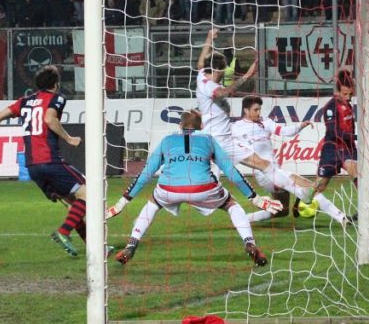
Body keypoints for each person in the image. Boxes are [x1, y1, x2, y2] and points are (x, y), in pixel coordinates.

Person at [106, 109, 283, 266]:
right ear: (202, 126)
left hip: (169, 189)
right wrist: (255, 199)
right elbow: (231, 171)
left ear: (180, 125)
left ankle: (131, 245)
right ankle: (249, 243)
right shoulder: (208, 139)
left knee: (152, 203)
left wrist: (121, 203)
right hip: (204, 189)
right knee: (231, 204)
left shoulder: (167, 140)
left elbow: (145, 174)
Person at [0, 65, 86, 258]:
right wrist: (70, 139)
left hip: (32, 166)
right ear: (56, 84)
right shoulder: (57, 97)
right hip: (50, 160)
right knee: (88, 194)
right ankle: (63, 232)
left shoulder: (25, 101)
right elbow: (49, 119)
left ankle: (97, 248)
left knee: (73, 204)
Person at [232, 96, 349, 225]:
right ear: (246, 110)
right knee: (309, 187)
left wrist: (300, 126)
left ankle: (244, 219)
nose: (258, 113)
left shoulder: (265, 122)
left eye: (259, 109)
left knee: (282, 210)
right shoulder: (236, 128)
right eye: (255, 110)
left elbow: (284, 131)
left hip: (276, 171)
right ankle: (341, 217)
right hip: (264, 175)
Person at [196, 28, 258, 158]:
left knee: (259, 163)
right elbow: (224, 92)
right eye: (224, 68)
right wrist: (247, 75)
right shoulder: (208, 86)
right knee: (259, 163)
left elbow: (200, 63)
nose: (225, 71)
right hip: (217, 139)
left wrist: (209, 37)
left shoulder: (202, 74)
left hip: (221, 137)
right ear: (217, 69)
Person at [303, 67, 358, 205]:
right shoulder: (331, 106)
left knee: (357, 173)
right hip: (332, 150)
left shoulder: (348, 106)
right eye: (345, 94)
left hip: (347, 148)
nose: (348, 97)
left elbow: (351, 127)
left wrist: (353, 141)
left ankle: (367, 206)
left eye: (351, 94)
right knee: (320, 185)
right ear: (338, 92)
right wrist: (354, 137)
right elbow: (333, 132)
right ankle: (301, 203)